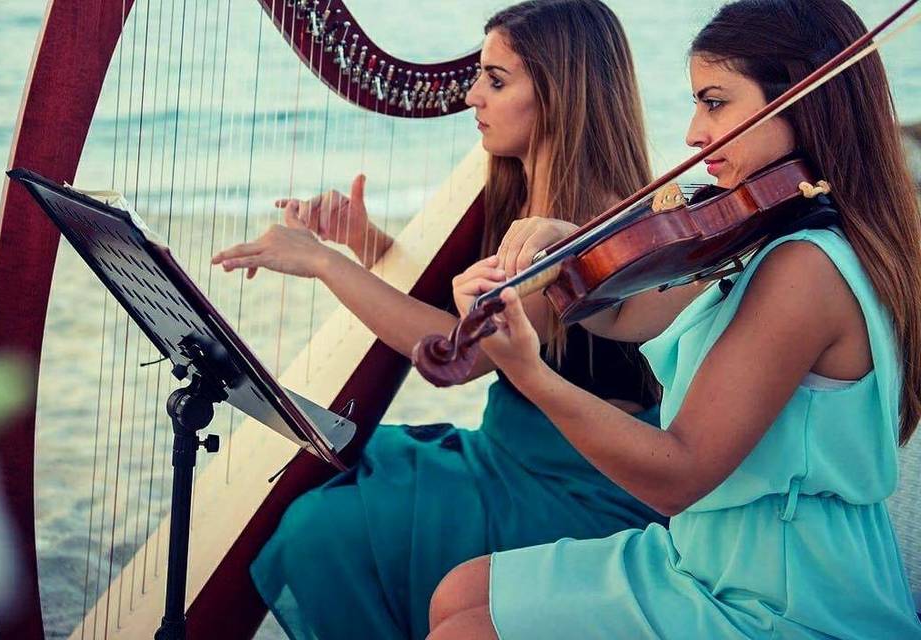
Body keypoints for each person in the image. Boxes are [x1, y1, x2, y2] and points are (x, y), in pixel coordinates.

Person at [429, 0, 921, 637]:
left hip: (783, 592)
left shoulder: (805, 268)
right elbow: (632, 310)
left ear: (801, 101)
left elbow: (677, 475)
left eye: (714, 102)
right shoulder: (774, 231)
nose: (692, 132)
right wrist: (571, 246)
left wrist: (529, 372)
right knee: (459, 593)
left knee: (465, 630)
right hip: (710, 553)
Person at [212, 1, 666, 638]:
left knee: (321, 530)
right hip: (510, 454)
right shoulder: (523, 190)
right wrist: (364, 242)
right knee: (328, 488)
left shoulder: (585, 225)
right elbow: (458, 307)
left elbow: (463, 355)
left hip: (573, 487)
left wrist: (322, 263)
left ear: (560, 95)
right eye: (480, 76)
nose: (473, 96)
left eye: (496, 80)